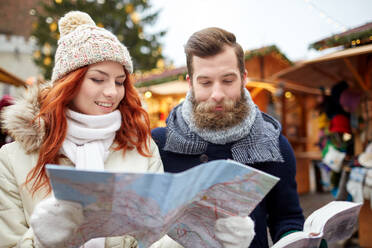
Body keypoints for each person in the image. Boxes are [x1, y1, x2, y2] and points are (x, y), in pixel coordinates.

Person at [0, 12, 254, 248]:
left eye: (119, 81)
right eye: (98, 79)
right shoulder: (12, 159)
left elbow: (154, 239)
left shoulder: (140, 148)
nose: (112, 92)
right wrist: (43, 238)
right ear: (68, 83)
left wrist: (210, 235)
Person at [152, 27, 305, 247]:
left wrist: (298, 240)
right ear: (190, 83)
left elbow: (287, 218)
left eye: (227, 80)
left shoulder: (273, 145)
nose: (217, 94)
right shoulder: (158, 144)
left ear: (243, 79)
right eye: (205, 82)